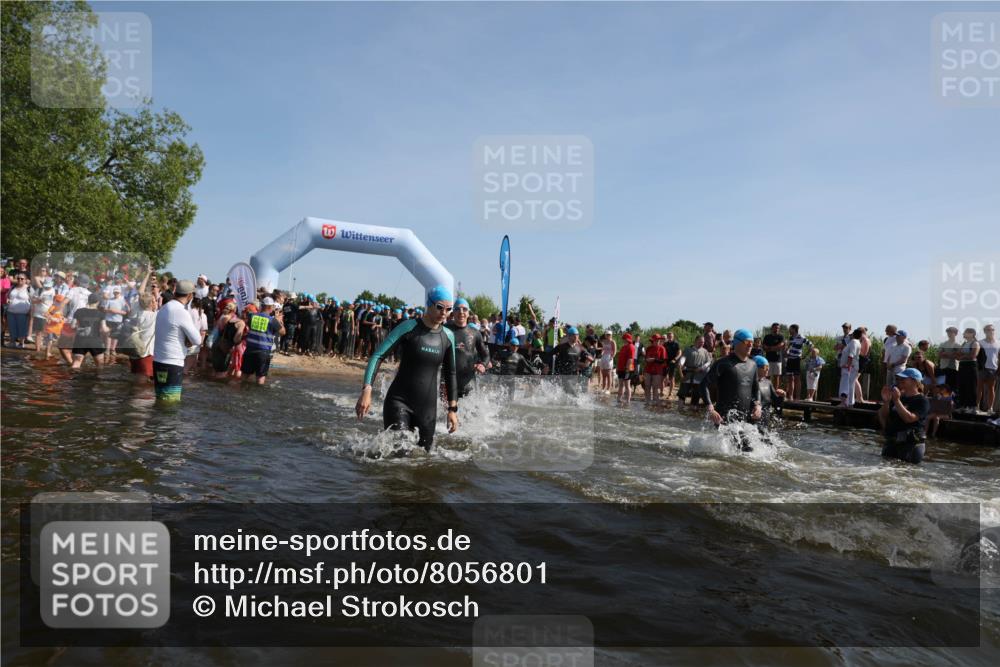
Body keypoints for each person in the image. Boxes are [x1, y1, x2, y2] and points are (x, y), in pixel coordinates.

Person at [355, 285, 459, 452]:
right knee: (400, 454)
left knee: (422, 460)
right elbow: (377, 356)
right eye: (440, 307)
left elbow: (451, 373)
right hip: (399, 402)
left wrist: (452, 409)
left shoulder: (448, 336)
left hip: (427, 410)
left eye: (448, 309)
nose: (444, 313)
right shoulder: (408, 327)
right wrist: (367, 390)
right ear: (429, 304)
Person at [701, 329, 762, 451]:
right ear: (737, 343)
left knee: (748, 449)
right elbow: (704, 384)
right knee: (746, 449)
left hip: (746, 419)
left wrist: (758, 406)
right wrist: (710, 408)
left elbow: (756, 388)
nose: (750, 345)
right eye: (747, 342)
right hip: (725, 418)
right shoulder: (723, 363)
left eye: (752, 342)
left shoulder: (753, 364)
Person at [152, 279, 203, 401]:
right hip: (172, 363)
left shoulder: (164, 307)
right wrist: (187, 340)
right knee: (170, 402)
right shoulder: (181, 311)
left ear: (175, 292)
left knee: (161, 398)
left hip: (158, 360)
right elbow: (197, 340)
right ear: (190, 295)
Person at [878, 368, 930, 464]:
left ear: (915, 381)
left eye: (903, 379)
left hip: (911, 444)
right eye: (899, 379)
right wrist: (887, 401)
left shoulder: (922, 400)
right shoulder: (898, 397)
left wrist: (897, 401)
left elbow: (909, 418)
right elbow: (883, 416)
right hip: (893, 442)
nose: (900, 381)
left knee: (905, 470)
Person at [446, 297, 489, 396]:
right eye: (457, 309)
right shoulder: (445, 330)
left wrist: (483, 364)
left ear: (468, 313)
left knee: (470, 405)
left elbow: (485, 355)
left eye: (464, 309)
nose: (461, 312)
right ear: (453, 312)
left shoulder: (475, 333)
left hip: (469, 383)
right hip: (448, 383)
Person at [241, 297, 285, 385]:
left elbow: (245, 322)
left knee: (244, 376)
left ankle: (241, 390)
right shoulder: (272, 320)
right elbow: (283, 332)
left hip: (250, 350)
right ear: (270, 307)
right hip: (263, 352)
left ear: (262, 306)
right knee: (260, 378)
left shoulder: (252, 316)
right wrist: (280, 321)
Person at [70, 292, 108, 369]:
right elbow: (104, 329)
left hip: (80, 340)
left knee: (76, 364)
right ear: (98, 302)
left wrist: (81, 328)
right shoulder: (101, 314)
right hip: (95, 341)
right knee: (100, 365)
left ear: (88, 300)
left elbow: (72, 326)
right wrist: (110, 329)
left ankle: (73, 376)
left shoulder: (79, 311)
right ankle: (98, 377)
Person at [125, 293, 157, 380]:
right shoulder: (155, 316)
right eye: (155, 301)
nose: (156, 303)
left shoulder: (135, 315)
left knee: (135, 380)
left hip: (134, 353)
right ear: (151, 303)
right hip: (146, 354)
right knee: (143, 383)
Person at [677, 335, 712, 406]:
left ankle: (693, 408)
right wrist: (681, 363)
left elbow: (708, 362)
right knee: (682, 393)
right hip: (688, 374)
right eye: (700, 342)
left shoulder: (705, 351)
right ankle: (680, 408)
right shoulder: (688, 350)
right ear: (695, 341)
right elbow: (683, 359)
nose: (702, 343)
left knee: (696, 394)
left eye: (703, 342)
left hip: (699, 375)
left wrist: (701, 368)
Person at [754, 355, 785, 430]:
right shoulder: (749, 384)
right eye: (765, 367)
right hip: (753, 423)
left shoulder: (768, 383)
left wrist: (782, 396)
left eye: (768, 367)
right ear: (756, 368)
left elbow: (776, 403)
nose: (767, 369)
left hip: (765, 422)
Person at [783, 324, 811, 401]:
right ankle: (790, 396)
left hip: (796, 359)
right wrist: (786, 351)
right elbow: (789, 347)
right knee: (790, 378)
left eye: (790, 329)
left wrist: (804, 355)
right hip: (790, 359)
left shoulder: (801, 337)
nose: (789, 330)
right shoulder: (791, 337)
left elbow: (811, 346)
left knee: (797, 378)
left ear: (794, 329)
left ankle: (797, 397)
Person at [956, 328, 980, 411]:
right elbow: (957, 355)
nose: (964, 334)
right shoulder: (964, 343)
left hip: (971, 366)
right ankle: (963, 406)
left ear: (972, 334)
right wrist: (965, 355)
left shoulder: (975, 343)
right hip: (962, 366)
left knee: (971, 386)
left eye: (966, 332)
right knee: (962, 385)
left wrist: (962, 356)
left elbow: (973, 355)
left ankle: (972, 406)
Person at [5, 273, 31, 348]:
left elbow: (33, 301)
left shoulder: (29, 288)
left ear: (25, 280)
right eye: (18, 278)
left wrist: (30, 311)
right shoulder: (13, 287)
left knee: (22, 328)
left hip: (23, 312)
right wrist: (7, 299)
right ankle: (12, 342)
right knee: (12, 327)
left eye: (22, 279)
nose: (20, 280)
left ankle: (21, 343)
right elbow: (8, 296)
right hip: (11, 311)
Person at [978, 324, 998, 413]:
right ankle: (976, 407)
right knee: (979, 388)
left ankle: (990, 408)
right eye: (989, 330)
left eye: (992, 330)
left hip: (993, 368)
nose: (991, 331)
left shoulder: (998, 343)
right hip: (981, 368)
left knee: (991, 389)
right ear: (985, 331)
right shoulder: (980, 342)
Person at [643, 334, 668, 404]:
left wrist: (654, 359)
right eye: (656, 340)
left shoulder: (662, 348)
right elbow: (646, 358)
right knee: (647, 386)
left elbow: (663, 361)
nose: (657, 341)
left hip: (657, 371)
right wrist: (647, 360)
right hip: (648, 370)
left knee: (655, 387)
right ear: (653, 341)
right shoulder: (648, 348)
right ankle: (647, 401)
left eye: (658, 340)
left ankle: (655, 401)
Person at [937, 326, 962, 392]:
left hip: (954, 368)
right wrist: (953, 354)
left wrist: (946, 353)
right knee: (943, 386)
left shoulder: (958, 345)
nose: (949, 334)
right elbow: (939, 355)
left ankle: (953, 398)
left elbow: (959, 357)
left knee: (953, 387)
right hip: (943, 367)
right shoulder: (943, 344)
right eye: (948, 332)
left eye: (951, 332)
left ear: (956, 333)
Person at [616, 332, 637, 405]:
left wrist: (627, 369)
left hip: (627, 369)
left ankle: (628, 401)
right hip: (621, 368)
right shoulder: (624, 347)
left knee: (627, 385)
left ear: (627, 339)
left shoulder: (631, 347)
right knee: (620, 385)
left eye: (624, 339)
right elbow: (620, 358)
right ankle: (619, 399)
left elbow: (631, 359)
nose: (623, 340)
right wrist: (618, 367)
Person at [762, 322, 785, 389]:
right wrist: (774, 348)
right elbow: (764, 347)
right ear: (772, 328)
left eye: (778, 328)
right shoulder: (767, 337)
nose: (777, 329)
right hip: (768, 360)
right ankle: (767, 391)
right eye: (775, 328)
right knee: (767, 376)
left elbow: (780, 345)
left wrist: (769, 348)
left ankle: (775, 392)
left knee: (776, 377)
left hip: (778, 360)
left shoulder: (781, 336)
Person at [663, 331, 681, 399]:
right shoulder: (665, 344)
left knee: (672, 378)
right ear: (667, 337)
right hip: (666, 362)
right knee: (664, 377)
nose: (670, 337)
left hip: (673, 362)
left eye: (671, 336)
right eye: (669, 336)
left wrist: (675, 359)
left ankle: (670, 393)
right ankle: (663, 391)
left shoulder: (676, 344)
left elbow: (679, 352)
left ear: (673, 337)